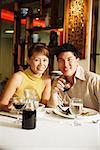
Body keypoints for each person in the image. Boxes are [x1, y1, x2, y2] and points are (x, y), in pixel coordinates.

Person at [48, 43, 100, 111]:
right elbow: (52, 110)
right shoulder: (58, 82)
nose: (65, 65)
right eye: (61, 60)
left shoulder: (94, 80)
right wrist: (53, 92)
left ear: (77, 60)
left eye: (69, 59)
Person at [0, 43, 51, 112]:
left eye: (44, 60)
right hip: (14, 117)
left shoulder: (46, 80)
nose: (41, 64)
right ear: (28, 60)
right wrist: (12, 108)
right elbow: (2, 104)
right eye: (37, 60)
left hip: (34, 117)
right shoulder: (18, 77)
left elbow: (44, 105)